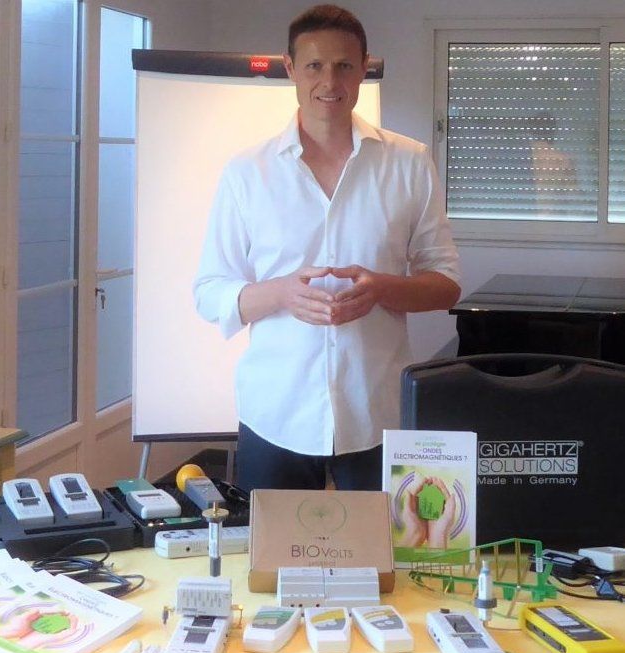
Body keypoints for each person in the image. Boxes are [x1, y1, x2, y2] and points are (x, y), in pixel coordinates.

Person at [194, 4, 460, 494]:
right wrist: (281, 293)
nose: (329, 81)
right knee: (273, 547)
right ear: (291, 68)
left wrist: (381, 289)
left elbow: (445, 284)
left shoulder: (409, 163)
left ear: (363, 69)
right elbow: (210, 291)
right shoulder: (247, 172)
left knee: (380, 547)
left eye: (343, 65)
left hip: (376, 411)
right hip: (275, 412)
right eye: (314, 65)